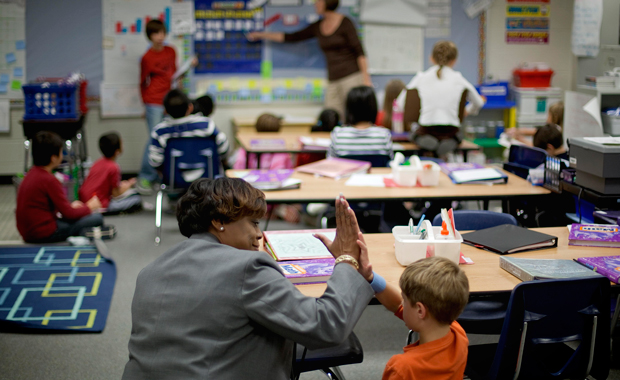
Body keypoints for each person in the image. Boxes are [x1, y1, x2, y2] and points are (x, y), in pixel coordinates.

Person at [121, 178, 375, 379]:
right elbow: (326, 327)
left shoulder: (149, 271)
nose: (259, 235)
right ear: (219, 221)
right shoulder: (247, 267)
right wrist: (346, 262)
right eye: (253, 223)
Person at [356, 232, 469, 379]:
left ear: (421, 310)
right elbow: (398, 306)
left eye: (405, 299)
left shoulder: (402, 368)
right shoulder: (458, 336)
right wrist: (370, 278)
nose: (402, 303)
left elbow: (399, 306)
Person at [247, 0, 371, 119]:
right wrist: (261, 35)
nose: (315, 4)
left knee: (353, 115)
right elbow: (292, 37)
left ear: (327, 2)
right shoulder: (318, 26)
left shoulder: (345, 23)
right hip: (333, 78)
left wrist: (366, 79)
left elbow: (359, 51)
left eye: (318, 1)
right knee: (330, 115)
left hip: (351, 77)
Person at [395, 41, 485, 157]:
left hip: (427, 130)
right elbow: (478, 103)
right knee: (458, 135)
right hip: (450, 131)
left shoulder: (421, 77)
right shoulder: (459, 78)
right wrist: (468, 110)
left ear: (431, 58)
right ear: (454, 61)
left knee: (414, 134)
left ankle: (429, 144)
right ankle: (449, 143)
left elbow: (400, 103)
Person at [16, 131, 104, 243]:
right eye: (61, 152)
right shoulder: (49, 179)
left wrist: (71, 207)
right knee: (96, 218)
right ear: (53, 158)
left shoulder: (31, 174)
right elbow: (69, 214)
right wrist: (89, 206)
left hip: (28, 232)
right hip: (44, 233)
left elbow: (50, 207)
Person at [137, 19, 177, 195]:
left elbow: (174, 75)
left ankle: (162, 177)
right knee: (155, 139)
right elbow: (142, 82)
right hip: (153, 101)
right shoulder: (147, 58)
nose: (160, 37)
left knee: (169, 139)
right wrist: (145, 104)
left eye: (162, 32)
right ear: (149, 36)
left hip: (170, 100)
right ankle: (145, 177)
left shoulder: (171, 51)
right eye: (155, 33)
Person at [147, 89, 229, 174]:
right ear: (190, 107)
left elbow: (155, 161)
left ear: (165, 111)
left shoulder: (160, 132)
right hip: (207, 179)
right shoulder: (206, 125)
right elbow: (224, 149)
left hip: (174, 180)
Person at [79, 132, 142, 214]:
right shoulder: (114, 167)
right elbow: (116, 194)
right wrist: (129, 185)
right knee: (136, 198)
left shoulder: (97, 163)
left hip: (84, 200)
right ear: (117, 151)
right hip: (99, 203)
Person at [329, 85, 393, 160]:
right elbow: (391, 164)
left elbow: (331, 164)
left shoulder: (338, 135)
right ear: (373, 107)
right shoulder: (384, 135)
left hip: (348, 172)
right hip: (376, 172)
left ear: (349, 108)